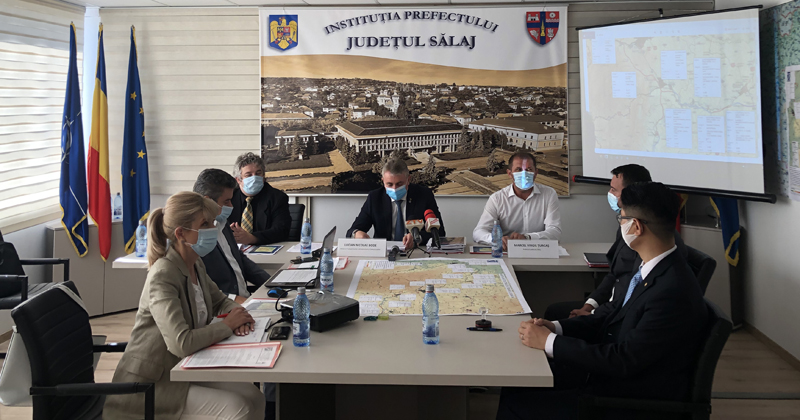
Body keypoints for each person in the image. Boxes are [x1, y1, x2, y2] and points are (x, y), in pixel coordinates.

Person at [498, 182, 708, 420]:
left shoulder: (672, 290)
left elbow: (624, 360)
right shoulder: (649, 267)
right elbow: (611, 316)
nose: (620, 224)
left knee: (516, 403)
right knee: (517, 383)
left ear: (636, 226)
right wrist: (555, 328)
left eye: (622, 218)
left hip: (627, 399)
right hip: (611, 375)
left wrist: (550, 342)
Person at [104, 192, 265, 420]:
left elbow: (219, 301)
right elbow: (181, 343)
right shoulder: (163, 275)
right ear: (181, 233)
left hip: (183, 367)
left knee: (255, 397)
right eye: (205, 224)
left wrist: (238, 314)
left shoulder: (195, 264)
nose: (213, 229)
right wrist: (228, 325)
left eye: (212, 222)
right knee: (239, 409)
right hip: (152, 384)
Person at [544, 164, 652, 320]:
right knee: (553, 312)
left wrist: (593, 315)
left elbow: (629, 290)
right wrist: (589, 305)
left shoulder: (642, 233)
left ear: (632, 193)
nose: (610, 194)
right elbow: (614, 274)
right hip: (609, 305)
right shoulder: (625, 224)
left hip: (618, 314)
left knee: (554, 319)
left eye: (614, 190)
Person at [193, 168, 270, 304]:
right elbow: (198, 288)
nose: (231, 206)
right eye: (226, 201)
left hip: (245, 299)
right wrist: (236, 300)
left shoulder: (222, 222)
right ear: (208, 201)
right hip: (224, 305)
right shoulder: (194, 237)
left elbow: (237, 258)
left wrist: (270, 282)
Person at [347, 158, 445, 250]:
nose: (394, 189)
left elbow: (440, 232)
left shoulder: (424, 195)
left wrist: (418, 237)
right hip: (385, 252)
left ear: (408, 180)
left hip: (415, 251)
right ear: (383, 181)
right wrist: (357, 234)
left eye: (399, 184)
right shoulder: (375, 198)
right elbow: (352, 231)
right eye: (389, 184)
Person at [473, 151, 561, 249]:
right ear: (510, 174)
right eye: (518, 169)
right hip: (507, 251)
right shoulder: (497, 199)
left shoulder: (549, 194)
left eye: (529, 169)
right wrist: (496, 239)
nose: (524, 174)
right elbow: (479, 232)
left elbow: (555, 231)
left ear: (536, 173)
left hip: (539, 250)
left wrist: (528, 238)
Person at [228, 152, 291, 246]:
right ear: (238, 180)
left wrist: (252, 238)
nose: (254, 178)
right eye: (248, 175)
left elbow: (282, 231)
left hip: (265, 248)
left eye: (258, 173)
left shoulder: (277, 197)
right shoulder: (229, 197)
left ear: (263, 176)